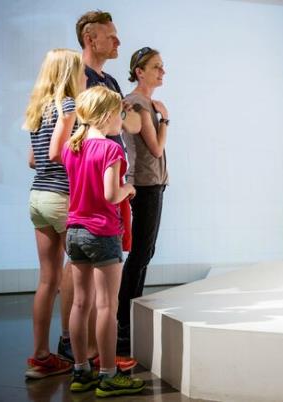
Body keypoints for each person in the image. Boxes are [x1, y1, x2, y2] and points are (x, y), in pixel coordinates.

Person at [57, 10, 137, 369]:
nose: (118, 41)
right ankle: (95, 360)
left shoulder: (110, 82)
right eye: (111, 35)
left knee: (86, 295)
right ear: (91, 38)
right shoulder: (75, 78)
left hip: (86, 199)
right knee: (102, 299)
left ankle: (85, 358)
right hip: (88, 196)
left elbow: (130, 122)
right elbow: (60, 137)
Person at [62, 86, 145, 396]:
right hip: (102, 232)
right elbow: (111, 194)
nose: (120, 120)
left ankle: (81, 371)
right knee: (106, 305)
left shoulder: (73, 147)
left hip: (75, 232)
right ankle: (109, 375)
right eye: (119, 114)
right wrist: (129, 189)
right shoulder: (111, 149)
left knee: (80, 304)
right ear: (108, 115)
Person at [23, 48, 85, 379]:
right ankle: (82, 353)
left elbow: (34, 160)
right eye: (80, 71)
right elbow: (54, 153)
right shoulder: (69, 105)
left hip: (38, 195)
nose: (84, 76)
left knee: (47, 279)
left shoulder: (38, 108)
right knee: (76, 272)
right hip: (62, 196)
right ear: (69, 73)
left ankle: (40, 356)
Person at [117, 47, 169, 353]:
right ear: (140, 71)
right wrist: (166, 119)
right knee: (140, 253)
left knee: (143, 252)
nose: (162, 72)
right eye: (156, 67)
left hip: (151, 183)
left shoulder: (142, 102)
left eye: (162, 67)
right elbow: (157, 148)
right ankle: (124, 320)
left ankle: (127, 316)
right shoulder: (139, 103)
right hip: (146, 184)